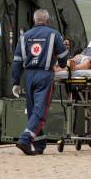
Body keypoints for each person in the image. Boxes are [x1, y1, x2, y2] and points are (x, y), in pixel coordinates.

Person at [12, 9, 68, 155]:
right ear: (47, 20)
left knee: (32, 110)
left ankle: (39, 144)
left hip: (28, 75)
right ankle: (25, 139)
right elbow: (63, 58)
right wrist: (61, 63)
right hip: (45, 74)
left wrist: (15, 82)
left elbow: (17, 60)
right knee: (40, 110)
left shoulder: (24, 37)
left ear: (34, 20)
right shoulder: (54, 34)